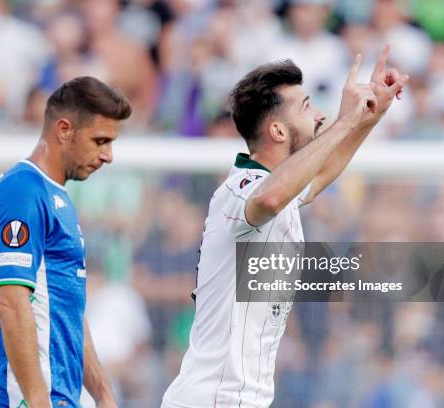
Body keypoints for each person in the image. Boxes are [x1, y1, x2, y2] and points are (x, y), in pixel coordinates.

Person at [162, 45, 408, 408]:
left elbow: (320, 172)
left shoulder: (280, 190)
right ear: (277, 130)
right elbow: (269, 199)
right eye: (307, 107)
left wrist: (370, 115)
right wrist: (344, 122)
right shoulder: (240, 190)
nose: (320, 115)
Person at [0, 76, 131, 408]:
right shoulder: (23, 193)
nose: (108, 155)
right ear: (63, 129)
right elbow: (12, 302)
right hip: (20, 398)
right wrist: (36, 399)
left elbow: (67, 310)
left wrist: (102, 393)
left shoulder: (55, 197)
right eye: (100, 140)